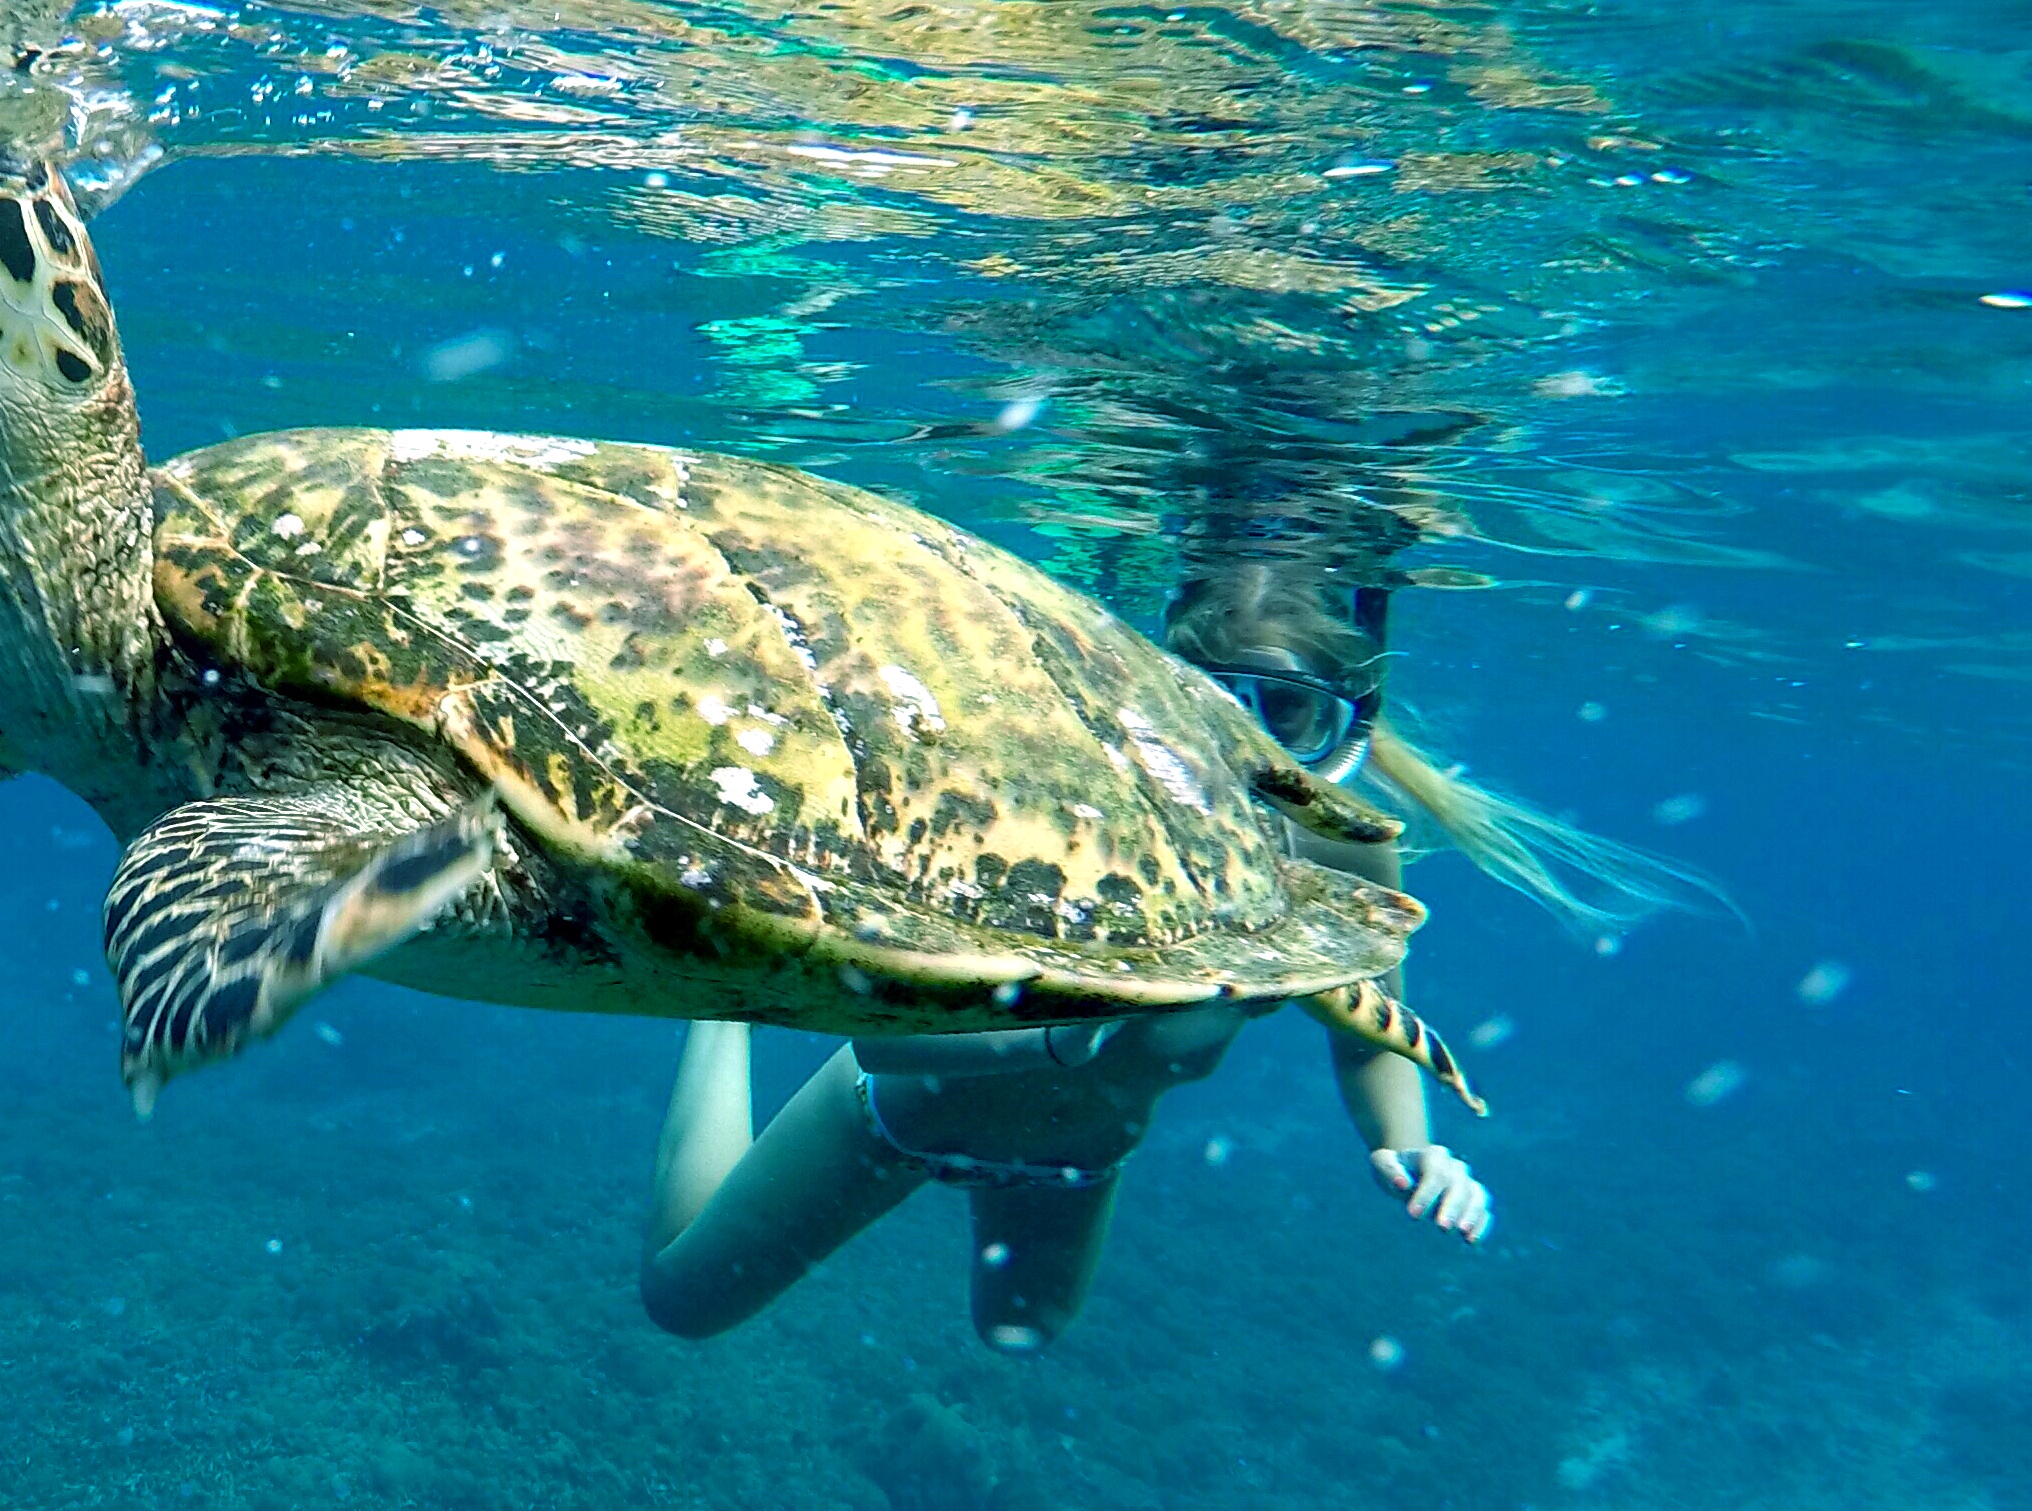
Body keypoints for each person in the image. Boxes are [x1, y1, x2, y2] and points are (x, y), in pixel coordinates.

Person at [639, 539, 1710, 1352]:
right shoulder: (1057, 818)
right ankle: (721, 1008)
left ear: (1338, 720)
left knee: (1022, 1336)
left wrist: (1410, 1142)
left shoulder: (1344, 858)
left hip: (1082, 1155)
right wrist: (1057, 1044)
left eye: (1279, 709)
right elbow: (885, 1039)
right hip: (892, 1115)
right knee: (685, 1302)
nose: (1240, 747)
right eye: (1204, 705)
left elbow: (1365, 1023)